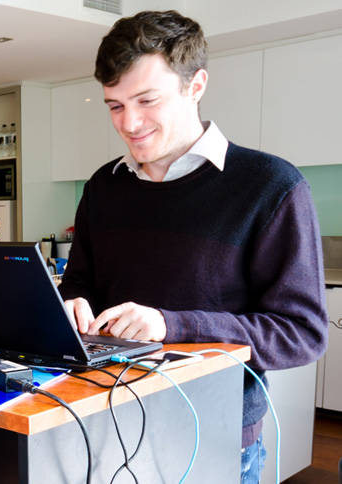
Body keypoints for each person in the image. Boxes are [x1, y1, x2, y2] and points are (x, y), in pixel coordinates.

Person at [58, 10, 328, 483]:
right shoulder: (104, 186)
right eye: (115, 105)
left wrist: (171, 325)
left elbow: (301, 333)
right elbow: (79, 284)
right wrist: (67, 306)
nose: (129, 122)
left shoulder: (271, 186)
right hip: (103, 425)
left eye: (146, 100)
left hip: (213, 438)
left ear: (195, 85)